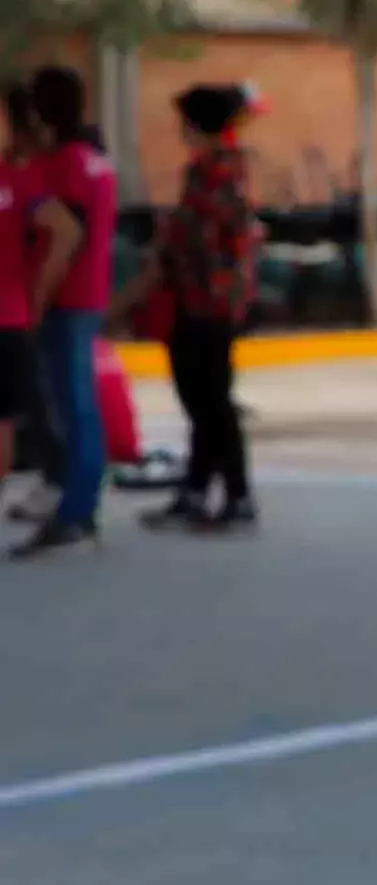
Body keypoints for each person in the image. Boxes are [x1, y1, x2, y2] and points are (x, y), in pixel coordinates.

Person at [114, 84, 261, 532]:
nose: (182, 133)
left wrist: (161, 251)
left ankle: (237, 495)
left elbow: (200, 238)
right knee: (200, 400)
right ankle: (197, 490)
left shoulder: (219, 176)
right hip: (199, 299)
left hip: (209, 302)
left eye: (186, 125)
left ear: (199, 128)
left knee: (212, 401)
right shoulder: (211, 171)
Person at [11, 66, 112, 559]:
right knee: (79, 406)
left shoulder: (62, 165)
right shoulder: (94, 160)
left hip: (65, 300)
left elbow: (63, 240)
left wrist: (36, 302)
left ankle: (76, 515)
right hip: (86, 296)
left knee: (73, 408)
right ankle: (77, 508)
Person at [1, 81, 65, 522]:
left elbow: (65, 231)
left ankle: (59, 480)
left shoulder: (19, 180)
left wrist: (38, 294)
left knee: (20, 409)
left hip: (9, 315)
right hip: (13, 313)